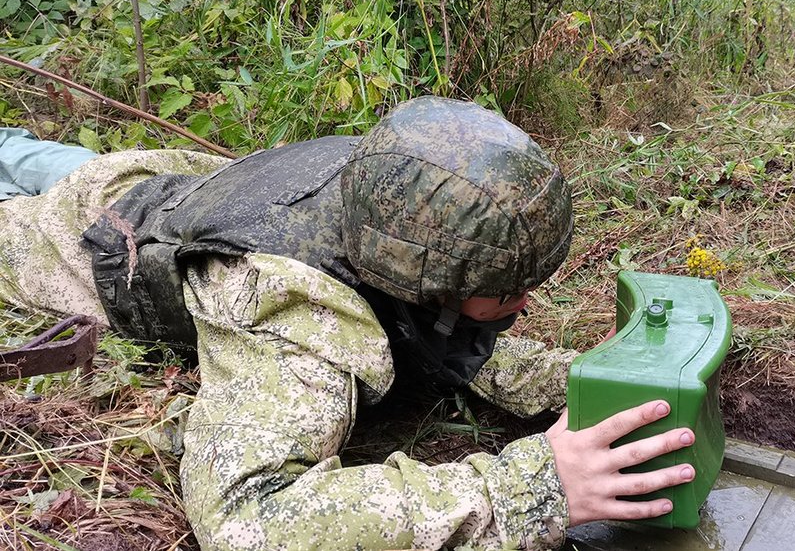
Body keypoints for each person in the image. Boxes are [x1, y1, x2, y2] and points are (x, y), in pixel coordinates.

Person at [0, 97, 698, 550]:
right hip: (67, 238)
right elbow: (249, 516)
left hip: (139, 176)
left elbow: (430, 329)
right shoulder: (293, 313)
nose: (526, 302)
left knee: (20, 149)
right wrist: (535, 485)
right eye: (507, 288)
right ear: (437, 281)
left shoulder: (400, 182)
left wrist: (576, 377)